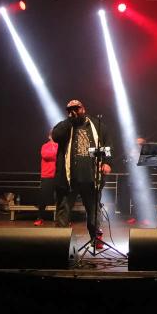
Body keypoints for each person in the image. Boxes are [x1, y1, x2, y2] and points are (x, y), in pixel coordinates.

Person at [51, 99, 111, 246]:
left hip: (91, 177)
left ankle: (96, 238)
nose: (73, 112)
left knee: (94, 210)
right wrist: (69, 121)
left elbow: (108, 146)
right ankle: (61, 241)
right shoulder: (66, 126)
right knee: (64, 209)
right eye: (70, 110)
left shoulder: (97, 125)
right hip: (69, 179)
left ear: (83, 109)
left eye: (76, 108)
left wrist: (107, 163)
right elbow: (55, 136)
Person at [34, 132, 57, 226]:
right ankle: (40, 218)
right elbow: (45, 155)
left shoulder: (61, 145)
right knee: (43, 198)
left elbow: (63, 157)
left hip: (58, 176)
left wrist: (55, 155)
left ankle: (63, 220)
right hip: (47, 175)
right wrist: (57, 155)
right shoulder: (45, 146)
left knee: (61, 199)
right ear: (49, 136)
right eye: (53, 134)